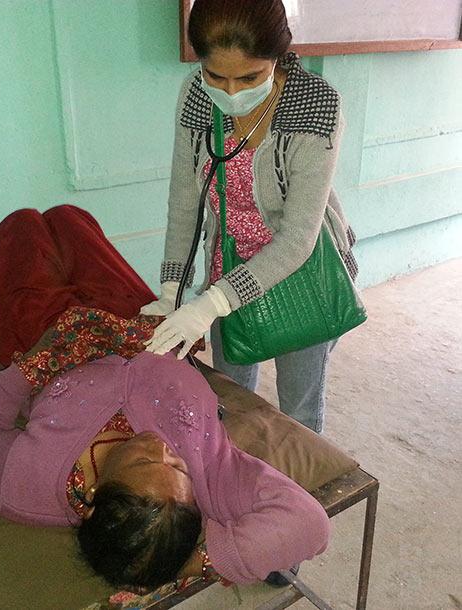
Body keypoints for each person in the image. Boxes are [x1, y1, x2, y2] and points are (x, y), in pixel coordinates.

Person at [0, 205, 330, 591]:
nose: (164, 449)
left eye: (145, 460)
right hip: (141, 319)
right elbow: (309, 524)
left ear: (94, 495)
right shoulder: (212, 480)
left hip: (46, 333)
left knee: (19, 226)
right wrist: (199, 562)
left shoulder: (33, 485)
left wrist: (31, 366)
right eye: (178, 467)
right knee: (70, 218)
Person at [142, 0, 359, 434]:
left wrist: (210, 303)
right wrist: (172, 289)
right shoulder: (196, 97)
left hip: (303, 274)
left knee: (297, 413)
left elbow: (298, 239)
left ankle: (295, 498)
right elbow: (184, 201)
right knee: (229, 400)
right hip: (230, 267)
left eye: (249, 77)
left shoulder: (315, 104)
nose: (232, 93)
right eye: (216, 76)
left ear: (277, 58)